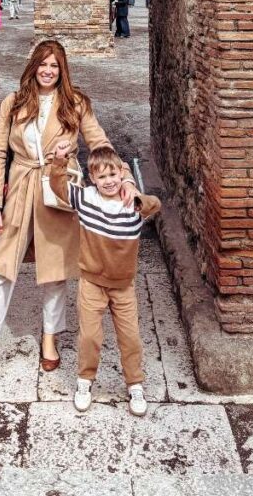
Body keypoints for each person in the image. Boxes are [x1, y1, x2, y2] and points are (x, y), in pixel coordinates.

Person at [0, 39, 139, 376]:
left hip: (57, 188)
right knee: (2, 267)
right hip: (21, 186)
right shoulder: (14, 102)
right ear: (33, 67)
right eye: (43, 65)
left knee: (54, 270)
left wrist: (126, 179)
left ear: (62, 71)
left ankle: (50, 337)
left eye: (54, 66)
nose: (48, 71)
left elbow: (99, 143)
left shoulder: (75, 103)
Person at [49, 146, 161, 416]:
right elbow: (58, 187)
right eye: (102, 177)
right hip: (92, 283)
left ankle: (135, 384)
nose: (109, 181)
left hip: (123, 286)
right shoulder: (86, 198)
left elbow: (155, 204)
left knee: (130, 337)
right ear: (92, 179)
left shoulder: (134, 204)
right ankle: (85, 381)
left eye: (113, 174)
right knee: (89, 336)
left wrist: (133, 190)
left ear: (121, 174)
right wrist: (59, 161)